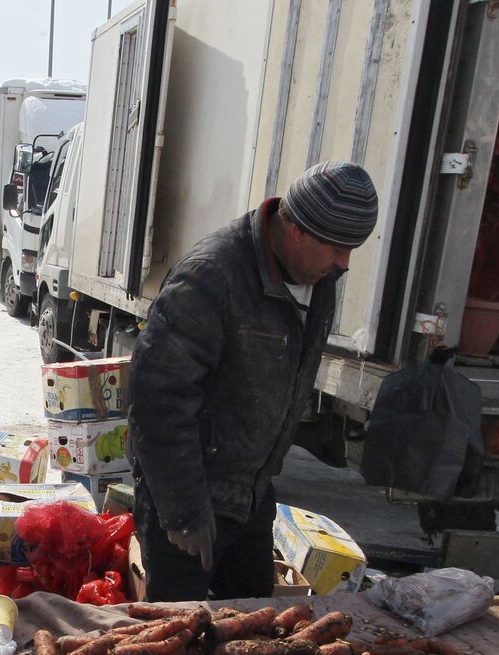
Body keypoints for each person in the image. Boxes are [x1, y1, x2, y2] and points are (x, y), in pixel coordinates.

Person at [128, 160, 378, 601]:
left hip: (251, 493)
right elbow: (158, 400)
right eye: (338, 247)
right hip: (191, 491)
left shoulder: (319, 278)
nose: (345, 263)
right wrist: (184, 513)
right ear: (298, 229)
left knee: (250, 628)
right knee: (175, 635)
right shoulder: (212, 275)